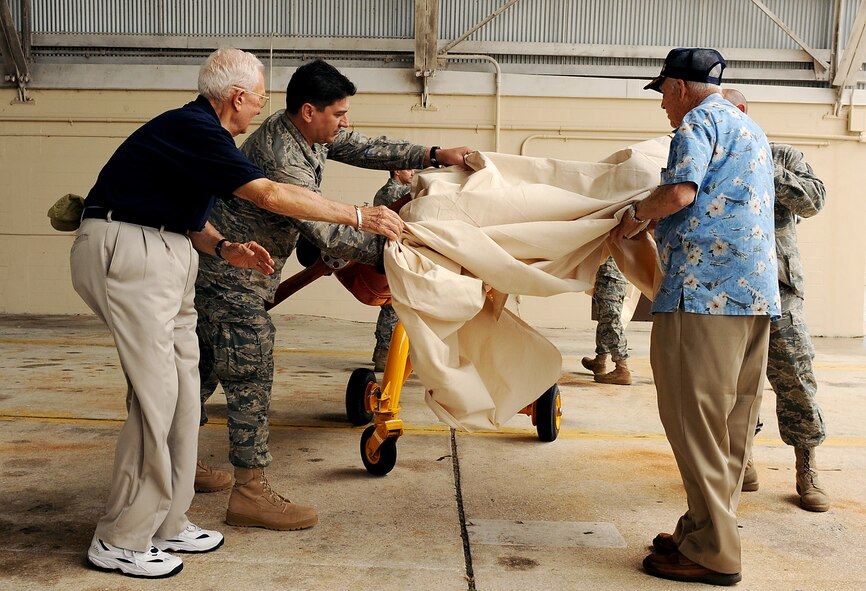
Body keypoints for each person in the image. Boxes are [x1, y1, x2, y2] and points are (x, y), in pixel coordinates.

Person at [70, 47, 403, 579]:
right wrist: (360, 214)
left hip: (172, 249)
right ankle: (119, 538)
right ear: (237, 96)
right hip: (130, 249)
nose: (262, 110)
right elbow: (271, 194)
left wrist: (227, 248)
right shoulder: (194, 127)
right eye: (261, 99)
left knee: (181, 391)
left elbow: (187, 214)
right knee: (156, 399)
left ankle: (168, 521)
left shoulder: (208, 141)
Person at [194, 59, 474, 531]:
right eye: (339, 113)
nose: (346, 122)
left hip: (231, 274)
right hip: (232, 280)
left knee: (199, 372)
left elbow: (365, 147)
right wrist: (407, 251)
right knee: (250, 377)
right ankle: (250, 493)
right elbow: (328, 234)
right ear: (309, 111)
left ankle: (177, 461)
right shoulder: (283, 157)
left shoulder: (307, 132)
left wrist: (432, 153)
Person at [612, 48, 780, 586]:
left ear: (680, 88)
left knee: (694, 422)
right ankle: (704, 529)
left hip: (701, 295)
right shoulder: (749, 128)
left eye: (662, 92)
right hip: (754, 295)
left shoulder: (696, 123)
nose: (662, 105)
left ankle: (713, 553)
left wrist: (634, 220)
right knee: (731, 427)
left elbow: (680, 192)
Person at [722, 88, 830, 511]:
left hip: (780, 289)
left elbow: (814, 201)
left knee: (795, 377)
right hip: (729, 289)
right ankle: (742, 456)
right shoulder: (710, 155)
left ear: (744, 114)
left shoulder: (782, 155)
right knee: (733, 382)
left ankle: (807, 467)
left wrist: (764, 165)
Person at [372, 169, 415, 371]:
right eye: (409, 168)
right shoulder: (394, 192)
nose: (413, 172)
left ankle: (383, 351)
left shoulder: (385, 191)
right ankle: (385, 353)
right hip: (391, 255)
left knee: (392, 305)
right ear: (397, 171)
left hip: (388, 254)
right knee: (393, 306)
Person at [581, 256, 632, 385]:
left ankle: (622, 368)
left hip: (610, 276)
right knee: (604, 319)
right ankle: (600, 360)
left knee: (610, 320)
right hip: (612, 274)